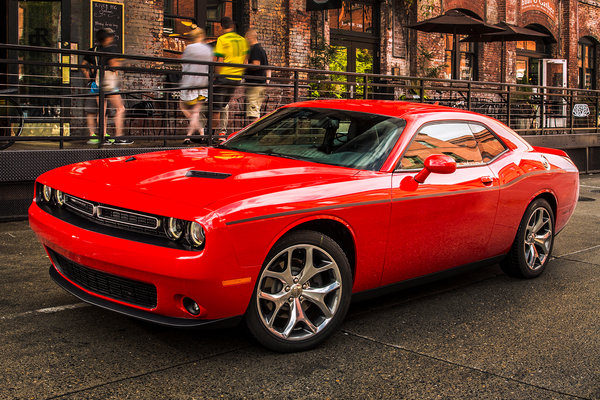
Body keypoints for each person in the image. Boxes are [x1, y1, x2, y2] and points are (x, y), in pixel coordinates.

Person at [212, 17, 248, 137]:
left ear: (221, 27)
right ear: (232, 26)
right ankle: (222, 133)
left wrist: (215, 77)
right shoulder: (242, 40)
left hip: (224, 76)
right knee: (223, 105)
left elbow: (220, 60)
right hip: (236, 78)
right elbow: (245, 62)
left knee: (215, 108)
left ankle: (209, 137)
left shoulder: (222, 39)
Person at [95, 28, 130, 145]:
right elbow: (114, 66)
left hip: (98, 81)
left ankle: (103, 136)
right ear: (107, 38)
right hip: (109, 82)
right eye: (110, 36)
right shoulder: (111, 49)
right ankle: (119, 136)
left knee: (102, 111)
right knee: (120, 108)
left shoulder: (97, 50)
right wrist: (124, 62)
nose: (112, 38)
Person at [179, 27, 212, 144]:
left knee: (182, 106)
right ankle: (200, 133)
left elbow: (184, 65)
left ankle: (190, 136)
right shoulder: (207, 49)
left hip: (190, 83)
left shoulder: (189, 48)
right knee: (196, 111)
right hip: (203, 84)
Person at [244, 29, 270, 124]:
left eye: (246, 39)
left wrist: (245, 64)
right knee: (255, 110)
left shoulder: (255, 49)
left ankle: (254, 134)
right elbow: (268, 68)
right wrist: (267, 82)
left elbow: (256, 65)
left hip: (254, 84)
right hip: (260, 84)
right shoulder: (261, 49)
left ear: (250, 38)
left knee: (253, 112)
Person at [81, 42, 101, 144]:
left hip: (100, 84)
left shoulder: (98, 51)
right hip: (95, 84)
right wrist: (88, 76)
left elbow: (83, 65)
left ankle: (99, 133)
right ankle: (92, 134)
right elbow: (83, 65)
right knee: (92, 110)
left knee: (99, 110)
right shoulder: (92, 51)